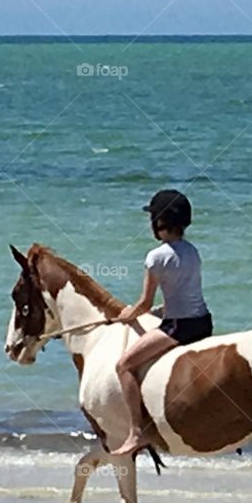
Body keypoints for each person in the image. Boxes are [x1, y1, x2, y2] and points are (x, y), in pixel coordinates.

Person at [109, 189, 212, 456]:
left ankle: (136, 432)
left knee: (124, 366)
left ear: (159, 222)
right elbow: (180, 296)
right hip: (203, 322)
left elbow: (142, 303)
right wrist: (156, 311)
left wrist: (128, 315)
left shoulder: (156, 257)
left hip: (179, 327)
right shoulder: (192, 251)